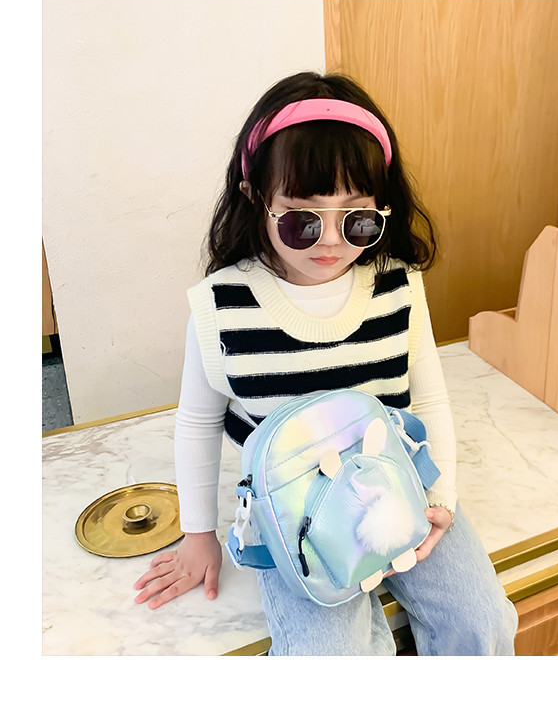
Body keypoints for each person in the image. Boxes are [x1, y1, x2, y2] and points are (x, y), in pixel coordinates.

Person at [133, 71, 518, 655]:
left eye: (357, 219)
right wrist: (198, 534)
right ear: (255, 198)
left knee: (482, 620)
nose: (332, 241)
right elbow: (197, 423)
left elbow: (429, 397)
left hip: (399, 483)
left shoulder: (397, 285)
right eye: (302, 220)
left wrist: (441, 496)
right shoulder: (220, 307)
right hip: (291, 511)